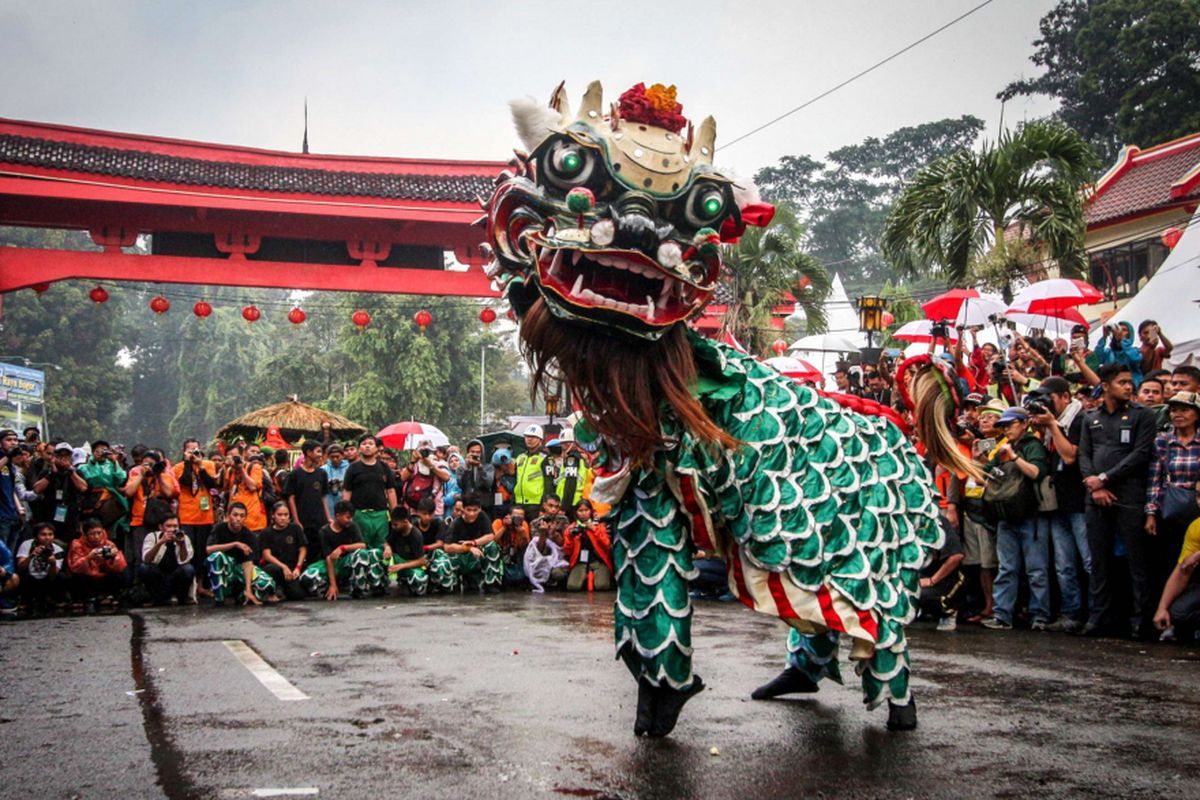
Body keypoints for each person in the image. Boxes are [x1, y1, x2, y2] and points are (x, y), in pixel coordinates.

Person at [1079, 362, 1158, 638]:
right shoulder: (1091, 417)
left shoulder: (1143, 415)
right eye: (1122, 382)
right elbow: (1084, 455)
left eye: (1130, 382)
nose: (1128, 386)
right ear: (1106, 385)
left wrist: (1105, 478)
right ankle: (1099, 617)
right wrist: (1094, 485)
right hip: (1096, 498)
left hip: (1129, 496)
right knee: (1099, 560)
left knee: (1137, 560)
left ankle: (1141, 619)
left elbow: (1140, 454)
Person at [1028, 377, 1092, 632]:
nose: (1046, 404)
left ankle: (1097, 613)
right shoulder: (1050, 423)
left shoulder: (1079, 419)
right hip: (1059, 503)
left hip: (1080, 501)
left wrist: (1052, 425)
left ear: (1065, 396)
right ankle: (1070, 613)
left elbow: (1069, 455)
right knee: (1063, 565)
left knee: (1088, 562)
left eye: (1049, 398)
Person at [980, 407, 1050, 631]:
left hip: (1030, 516)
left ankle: (1040, 615)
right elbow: (987, 475)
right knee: (1007, 568)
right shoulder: (1002, 447)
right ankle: (1002, 615)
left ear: (1023, 423)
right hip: (1005, 516)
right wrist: (980, 460)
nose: (1006, 429)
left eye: (1010, 425)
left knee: (1036, 569)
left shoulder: (1032, 445)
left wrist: (1014, 458)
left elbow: (1036, 473)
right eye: (1003, 426)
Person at [1144, 391, 1200, 627]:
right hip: (1170, 507)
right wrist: (1151, 512)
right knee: (1171, 563)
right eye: (1174, 410)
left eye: (1184, 409)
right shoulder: (1163, 441)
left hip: (1197, 507)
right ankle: (1166, 615)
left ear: (1196, 413)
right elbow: (1154, 479)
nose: (1178, 415)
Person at [299, 500, 386, 600]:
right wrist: (333, 584)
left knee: (362, 554)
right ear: (338, 516)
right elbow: (328, 558)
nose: (350, 520)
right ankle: (329, 588)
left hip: (347, 562)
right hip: (331, 564)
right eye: (347, 517)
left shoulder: (352, 526)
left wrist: (343, 548)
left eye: (351, 517)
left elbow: (362, 545)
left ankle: (358, 588)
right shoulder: (324, 531)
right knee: (306, 577)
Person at [1152, 483, 1200, 641]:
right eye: (1198, 495)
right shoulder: (1196, 527)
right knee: (1179, 612)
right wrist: (1162, 608)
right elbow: (1182, 571)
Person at [206, 502, 276, 606]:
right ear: (228, 516)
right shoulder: (219, 528)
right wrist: (234, 544)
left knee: (267, 583)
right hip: (225, 569)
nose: (238, 519)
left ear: (245, 518)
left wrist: (248, 589)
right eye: (235, 515)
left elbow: (248, 563)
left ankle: (243, 595)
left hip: (240, 570)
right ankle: (220, 598)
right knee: (216, 557)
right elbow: (209, 550)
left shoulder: (249, 535)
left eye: (242, 516)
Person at [173, 439, 218, 598]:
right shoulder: (178, 467)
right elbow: (184, 482)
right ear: (184, 451)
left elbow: (212, 485)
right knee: (188, 554)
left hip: (205, 516)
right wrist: (187, 463)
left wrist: (200, 465)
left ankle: (200, 585)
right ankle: (188, 587)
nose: (193, 453)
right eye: (190, 450)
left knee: (202, 554)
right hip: (186, 517)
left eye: (196, 450)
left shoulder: (208, 465)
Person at [123, 450, 181, 566]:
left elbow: (169, 493)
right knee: (141, 556)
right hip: (140, 522)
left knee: (161, 555)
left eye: (151, 464)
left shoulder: (165, 476)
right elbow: (129, 492)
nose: (148, 466)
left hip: (159, 522)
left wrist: (158, 475)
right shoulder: (135, 474)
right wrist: (141, 474)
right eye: (145, 463)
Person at [341, 435, 396, 551]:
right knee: (361, 547)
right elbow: (347, 491)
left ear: (376, 448)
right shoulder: (353, 468)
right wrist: (345, 513)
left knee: (382, 547)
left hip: (380, 514)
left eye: (371, 444)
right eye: (364, 444)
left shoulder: (384, 467)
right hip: (359, 514)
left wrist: (394, 511)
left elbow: (390, 490)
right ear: (359, 448)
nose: (367, 446)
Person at [443, 493, 503, 592]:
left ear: (480, 509)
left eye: (475, 510)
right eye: (469, 510)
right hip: (461, 557)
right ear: (463, 509)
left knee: (492, 547)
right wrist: (468, 548)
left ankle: (492, 583)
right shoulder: (456, 523)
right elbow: (447, 547)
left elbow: (490, 536)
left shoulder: (482, 516)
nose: (472, 513)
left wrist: (474, 543)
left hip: (478, 555)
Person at [285, 440, 332, 563]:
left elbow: (323, 497)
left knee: (320, 550)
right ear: (308, 452)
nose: (320, 455)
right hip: (302, 520)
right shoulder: (295, 474)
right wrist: (296, 520)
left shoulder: (322, 474)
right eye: (318, 451)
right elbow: (291, 498)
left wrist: (328, 518)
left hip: (319, 519)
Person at [30, 441, 87, 542]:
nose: (63, 458)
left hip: (69, 514)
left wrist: (70, 471)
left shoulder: (76, 472)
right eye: (60, 455)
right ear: (55, 456)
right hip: (49, 514)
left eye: (66, 456)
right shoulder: (47, 471)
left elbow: (83, 488)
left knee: (68, 543)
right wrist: (52, 473)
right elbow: (37, 489)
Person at [67, 518, 127, 611]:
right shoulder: (77, 544)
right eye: (92, 534)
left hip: (103, 577)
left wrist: (113, 558)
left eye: (99, 533)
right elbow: (74, 567)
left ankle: (108, 595)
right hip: (87, 577)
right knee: (77, 577)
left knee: (119, 575)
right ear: (86, 535)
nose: (96, 537)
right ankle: (80, 598)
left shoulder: (108, 544)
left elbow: (121, 566)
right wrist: (88, 558)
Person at [919, 518, 966, 631]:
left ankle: (949, 612)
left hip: (945, 579)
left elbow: (957, 556)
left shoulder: (939, 523)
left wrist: (932, 580)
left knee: (922, 594)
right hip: (920, 574)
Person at [139, 514, 196, 606]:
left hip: (175, 576)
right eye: (168, 526)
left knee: (188, 569)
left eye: (175, 526)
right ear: (161, 527)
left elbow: (185, 561)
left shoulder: (183, 538)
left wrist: (181, 545)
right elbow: (146, 559)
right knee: (144, 568)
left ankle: (182, 597)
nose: (172, 529)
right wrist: (160, 542)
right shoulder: (151, 537)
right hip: (159, 576)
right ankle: (155, 598)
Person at [561, 498, 612, 592]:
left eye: (586, 510)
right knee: (572, 587)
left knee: (602, 586)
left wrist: (594, 530)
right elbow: (566, 551)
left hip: (598, 561)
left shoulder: (599, 526)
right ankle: (585, 579)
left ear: (591, 511)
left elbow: (607, 545)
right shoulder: (571, 528)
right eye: (580, 510)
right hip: (580, 562)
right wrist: (570, 538)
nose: (583, 513)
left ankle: (593, 578)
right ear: (576, 512)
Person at [260, 502, 308, 601]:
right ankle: (273, 590)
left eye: (286, 515)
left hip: (293, 567)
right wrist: (283, 567)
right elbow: (267, 555)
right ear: (273, 515)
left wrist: (298, 567)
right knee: (270, 569)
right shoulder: (266, 533)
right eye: (280, 515)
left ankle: (286, 590)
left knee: (298, 595)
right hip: (277, 567)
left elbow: (303, 549)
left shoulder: (295, 528)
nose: (283, 518)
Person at [15, 521, 65, 614]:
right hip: (30, 579)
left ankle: (54, 599)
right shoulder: (27, 544)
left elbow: (53, 576)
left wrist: (53, 563)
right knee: (21, 576)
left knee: (61, 576)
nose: (47, 537)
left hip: (47, 579)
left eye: (50, 534)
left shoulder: (58, 549)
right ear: (36, 536)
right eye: (43, 534)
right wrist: (31, 555)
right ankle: (25, 600)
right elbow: (20, 568)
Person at [412, 497, 457, 592]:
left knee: (440, 555)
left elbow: (440, 543)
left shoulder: (438, 523)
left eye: (430, 514)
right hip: (417, 556)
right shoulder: (413, 526)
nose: (427, 517)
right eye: (424, 514)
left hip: (433, 554)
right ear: (418, 512)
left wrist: (425, 548)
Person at [222, 445, 268, 533]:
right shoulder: (230, 471)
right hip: (235, 522)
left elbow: (252, 487)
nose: (233, 459)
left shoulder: (254, 467)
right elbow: (230, 493)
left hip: (253, 522)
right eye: (230, 456)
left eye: (235, 456)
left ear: (242, 455)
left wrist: (241, 469)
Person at [384, 510, 429, 596]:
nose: (393, 527)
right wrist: (387, 547)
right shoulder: (396, 529)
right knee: (377, 553)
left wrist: (401, 566)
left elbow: (421, 561)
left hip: (411, 565)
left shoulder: (416, 536)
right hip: (398, 559)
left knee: (416, 577)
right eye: (392, 524)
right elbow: (386, 541)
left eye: (395, 524)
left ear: (405, 522)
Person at [514, 424, 554, 519]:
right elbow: (517, 480)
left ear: (540, 439)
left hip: (536, 505)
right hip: (519, 503)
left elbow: (549, 485)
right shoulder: (520, 457)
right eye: (527, 436)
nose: (529, 439)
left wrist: (544, 507)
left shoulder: (546, 458)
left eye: (533, 437)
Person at [552, 430, 593, 517]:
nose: (564, 446)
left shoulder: (572, 459)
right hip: (575, 501)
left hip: (572, 503)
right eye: (563, 443)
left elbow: (570, 483)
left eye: (567, 443)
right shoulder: (579, 458)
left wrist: (564, 507)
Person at [1094, 321, 1143, 387]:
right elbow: (1097, 357)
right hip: (1112, 387)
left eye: (1124, 330)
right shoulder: (1109, 352)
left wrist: (1122, 340)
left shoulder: (1134, 351)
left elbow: (1135, 359)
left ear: (1130, 334)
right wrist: (1104, 336)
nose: (1120, 332)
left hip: (1132, 387)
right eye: (1118, 329)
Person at [491, 505, 531, 587]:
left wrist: (522, 534)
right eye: (516, 515)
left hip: (515, 555)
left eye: (521, 515)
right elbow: (493, 541)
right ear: (509, 515)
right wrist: (504, 527)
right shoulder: (498, 522)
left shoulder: (524, 525)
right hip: (500, 553)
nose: (518, 518)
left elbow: (525, 547)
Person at [0, 429, 25, 551]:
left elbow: (11, 488)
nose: (13, 443)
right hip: (1, 516)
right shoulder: (4, 459)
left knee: (9, 556)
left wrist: (19, 509)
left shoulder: (9, 463)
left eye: (15, 440)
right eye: (8, 440)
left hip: (12, 514)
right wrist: (8, 456)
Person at [321, 444, 349, 522]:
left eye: (337, 456)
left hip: (345, 502)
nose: (335, 459)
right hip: (329, 504)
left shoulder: (349, 468)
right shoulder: (323, 470)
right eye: (332, 457)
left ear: (342, 456)